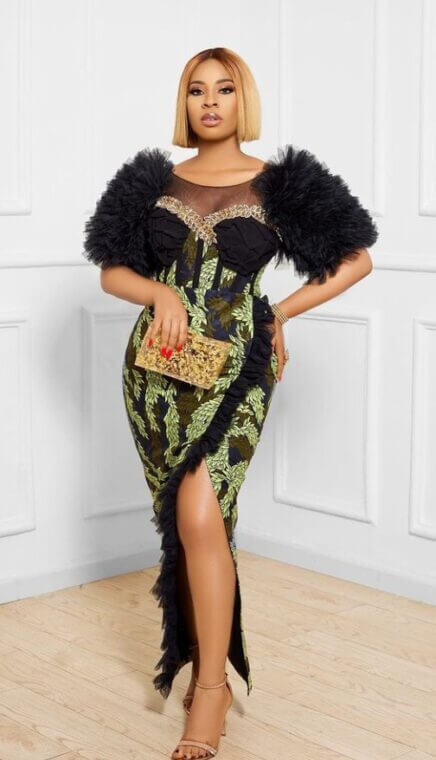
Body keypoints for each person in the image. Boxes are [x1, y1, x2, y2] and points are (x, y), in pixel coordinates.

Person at [83, 47, 378, 760]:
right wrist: (157, 291)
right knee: (191, 526)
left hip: (238, 370)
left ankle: (212, 690)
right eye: (196, 90)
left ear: (243, 99)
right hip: (155, 373)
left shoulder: (283, 183)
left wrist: (280, 315)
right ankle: (202, 661)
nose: (210, 102)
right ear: (183, 103)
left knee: (199, 512)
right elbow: (111, 271)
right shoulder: (150, 180)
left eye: (223, 89)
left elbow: (356, 258)